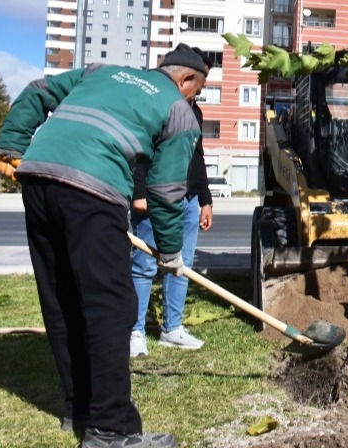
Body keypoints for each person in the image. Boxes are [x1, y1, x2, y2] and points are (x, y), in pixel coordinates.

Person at [0, 43, 209, 447]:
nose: (192, 99)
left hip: (39, 176)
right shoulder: (179, 111)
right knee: (111, 305)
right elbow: (165, 192)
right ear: (185, 80)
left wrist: (11, 146)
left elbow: (39, 90)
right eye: (195, 92)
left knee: (63, 297)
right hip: (94, 189)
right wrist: (170, 253)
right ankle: (111, 430)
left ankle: (80, 408)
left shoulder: (101, 71)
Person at [130, 67, 213, 356]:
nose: (197, 95)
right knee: (144, 265)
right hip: (155, 198)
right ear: (183, 80)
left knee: (180, 265)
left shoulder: (195, 113)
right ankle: (135, 331)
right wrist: (138, 192)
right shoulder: (155, 108)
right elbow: (139, 152)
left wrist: (205, 200)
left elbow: (197, 157)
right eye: (197, 88)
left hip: (188, 200)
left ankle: (172, 328)